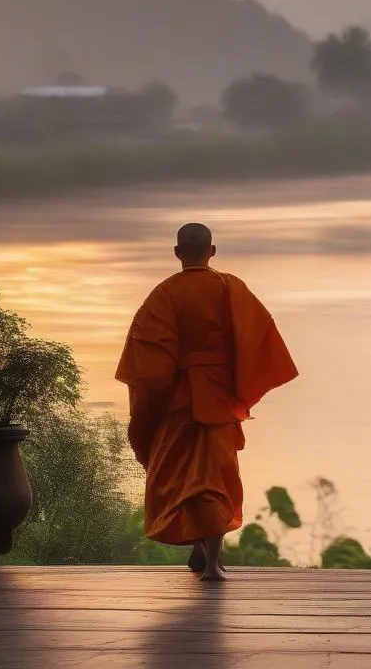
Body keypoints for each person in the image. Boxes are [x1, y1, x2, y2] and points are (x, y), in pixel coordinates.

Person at [115, 223, 298, 581]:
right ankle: (209, 557)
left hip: (179, 402)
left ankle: (204, 553)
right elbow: (255, 340)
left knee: (180, 479)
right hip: (217, 399)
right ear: (212, 251)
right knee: (214, 481)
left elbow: (150, 357)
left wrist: (152, 399)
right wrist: (238, 383)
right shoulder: (230, 287)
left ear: (177, 252)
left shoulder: (164, 293)